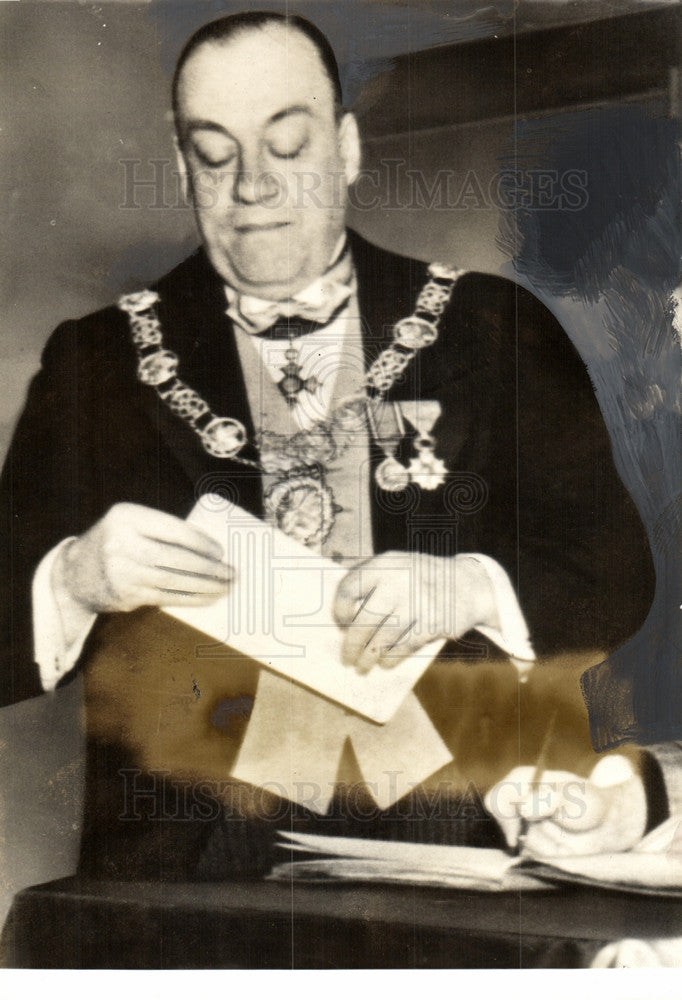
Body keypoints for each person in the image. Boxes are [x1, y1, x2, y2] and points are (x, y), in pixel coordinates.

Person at [0, 11, 671, 882]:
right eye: (214, 153)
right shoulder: (96, 361)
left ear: (347, 148)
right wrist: (75, 578)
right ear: (182, 171)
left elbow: (616, 569)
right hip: (193, 869)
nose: (252, 187)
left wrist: (468, 585)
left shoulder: (491, 328)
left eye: (287, 146)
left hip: (466, 834)